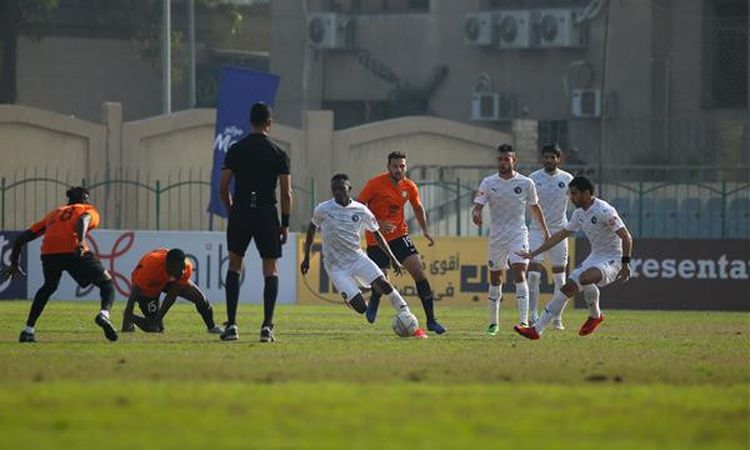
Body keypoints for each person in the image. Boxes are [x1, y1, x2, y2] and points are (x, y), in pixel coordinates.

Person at [301, 174, 427, 339]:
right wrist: (306, 258)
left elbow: (377, 235)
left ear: (349, 189)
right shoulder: (323, 209)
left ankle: (407, 315)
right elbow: (311, 230)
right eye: (334, 189)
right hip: (336, 267)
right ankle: (351, 294)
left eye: (342, 188)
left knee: (384, 284)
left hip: (357, 258)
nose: (338, 192)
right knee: (361, 308)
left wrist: (393, 258)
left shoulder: (361, 210)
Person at [514, 176, 633, 340]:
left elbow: (627, 237)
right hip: (596, 256)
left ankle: (594, 315)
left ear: (587, 193)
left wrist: (625, 264)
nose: (571, 197)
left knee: (585, 278)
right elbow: (561, 235)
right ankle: (536, 330)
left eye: (575, 193)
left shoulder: (604, 211)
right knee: (568, 287)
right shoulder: (579, 214)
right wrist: (534, 253)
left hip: (614, 258)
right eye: (570, 194)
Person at [1, 186, 118, 343]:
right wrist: (79, 242)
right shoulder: (88, 209)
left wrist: (14, 263)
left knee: (48, 287)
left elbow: (21, 239)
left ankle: (28, 330)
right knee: (107, 283)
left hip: (49, 252)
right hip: (73, 248)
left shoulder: (54, 214)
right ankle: (104, 315)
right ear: (85, 198)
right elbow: (84, 219)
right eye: (88, 198)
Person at [219, 102, 292, 342]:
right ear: (269, 124)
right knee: (270, 269)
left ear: (250, 122)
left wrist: (233, 212)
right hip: (266, 212)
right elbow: (286, 193)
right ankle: (266, 327)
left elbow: (223, 187)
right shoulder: (278, 153)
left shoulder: (236, 149)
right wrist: (285, 223)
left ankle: (231, 325)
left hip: (241, 210)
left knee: (234, 266)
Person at [357, 151, 446, 335]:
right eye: (395, 166)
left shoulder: (409, 186)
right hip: (376, 239)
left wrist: (426, 230)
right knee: (381, 280)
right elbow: (358, 205)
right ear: (388, 167)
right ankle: (375, 298)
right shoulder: (374, 184)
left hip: (399, 236)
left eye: (402, 166)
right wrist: (377, 223)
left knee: (418, 272)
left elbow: (418, 207)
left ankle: (431, 320)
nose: (399, 169)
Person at [472, 144, 550, 335]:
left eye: (507, 159)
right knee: (496, 279)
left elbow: (535, 207)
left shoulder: (525, 183)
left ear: (514, 161)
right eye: (500, 159)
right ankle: (493, 323)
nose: (503, 162)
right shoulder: (488, 182)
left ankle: (523, 322)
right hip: (497, 236)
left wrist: (545, 231)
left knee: (519, 273)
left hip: (518, 234)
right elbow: (478, 206)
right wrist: (476, 213)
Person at [121, 248, 223, 335]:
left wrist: (157, 320)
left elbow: (171, 296)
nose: (182, 272)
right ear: (168, 264)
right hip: (149, 287)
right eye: (179, 268)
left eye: (183, 268)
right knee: (156, 330)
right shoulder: (151, 265)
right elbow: (135, 292)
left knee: (199, 297)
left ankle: (212, 327)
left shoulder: (186, 268)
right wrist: (127, 316)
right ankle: (130, 318)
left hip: (168, 281)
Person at [527, 143, 574, 330]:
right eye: (546, 157)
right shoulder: (533, 179)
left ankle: (556, 319)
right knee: (533, 275)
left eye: (553, 157)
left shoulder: (567, 178)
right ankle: (532, 316)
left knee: (560, 279)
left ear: (559, 159)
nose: (549, 160)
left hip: (559, 231)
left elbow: (577, 201)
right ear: (541, 159)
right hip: (537, 230)